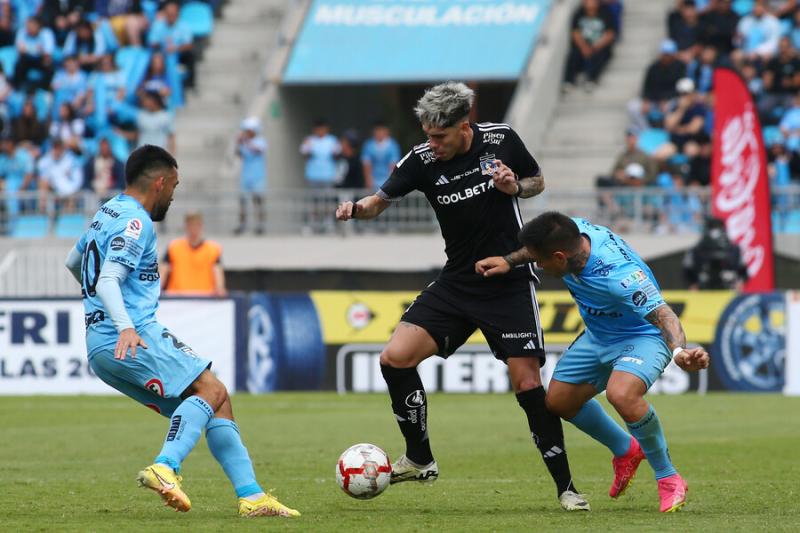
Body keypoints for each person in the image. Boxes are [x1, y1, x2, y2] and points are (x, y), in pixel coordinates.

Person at [335, 82, 589, 512]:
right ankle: (420, 457)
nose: (432, 144)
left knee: (528, 384)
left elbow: (537, 182)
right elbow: (379, 200)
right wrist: (355, 209)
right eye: (428, 135)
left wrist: (514, 187)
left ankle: (567, 488)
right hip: (458, 280)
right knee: (394, 358)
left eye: (440, 136)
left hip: (509, 278)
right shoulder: (421, 160)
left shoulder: (501, 139)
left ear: (464, 125)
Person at [63, 145, 299, 517]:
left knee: (216, 401)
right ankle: (165, 467)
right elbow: (107, 280)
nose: (174, 195)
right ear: (160, 182)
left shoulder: (105, 213)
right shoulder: (136, 222)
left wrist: (99, 309)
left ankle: (252, 497)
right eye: (174, 185)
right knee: (212, 390)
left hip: (101, 347)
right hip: (131, 337)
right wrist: (124, 326)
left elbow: (73, 262)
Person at [475, 212, 710, 513]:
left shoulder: (619, 276)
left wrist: (679, 353)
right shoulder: (572, 231)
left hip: (642, 336)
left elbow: (664, 314)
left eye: (540, 261)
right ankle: (626, 450)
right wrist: (509, 260)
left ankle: (668, 477)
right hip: (598, 336)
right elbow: (538, 248)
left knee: (621, 394)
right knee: (559, 402)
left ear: (559, 257)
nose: (538, 266)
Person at [161, 211, 226, 296]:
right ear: (186, 226)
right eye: (191, 225)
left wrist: (220, 289)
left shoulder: (213, 249)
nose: (193, 229)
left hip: (205, 298)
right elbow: (162, 272)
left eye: (196, 225)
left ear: (201, 226)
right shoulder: (174, 247)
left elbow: (218, 274)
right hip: (177, 298)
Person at [563, 0, 617, 92]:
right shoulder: (579, 13)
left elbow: (610, 34)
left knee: (600, 55)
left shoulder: (606, 13)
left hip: (599, 46)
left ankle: (591, 79)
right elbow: (575, 32)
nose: (588, 3)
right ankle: (569, 81)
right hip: (583, 46)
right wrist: (584, 47)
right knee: (573, 55)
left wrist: (596, 47)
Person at [683, 217, 748, 289]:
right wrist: (693, 284)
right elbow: (688, 270)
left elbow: (743, 271)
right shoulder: (696, 250)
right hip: (704, 289)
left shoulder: (734, 249)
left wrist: (739, 282)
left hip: (727, 288)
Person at [235, 117, 266, 235]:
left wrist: (245, 141)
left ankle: (260, 225)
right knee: (243, 201)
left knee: (258, 201)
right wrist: (238, 143)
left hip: (258, 176)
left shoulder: (261, 141)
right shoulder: (244, 143)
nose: (246, 132)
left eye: (248, 130)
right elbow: (238, 154)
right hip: (245, 175)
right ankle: (242, 225)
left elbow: (257, 150)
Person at [361, 121, 401, 190]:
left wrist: (391, 181)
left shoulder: (393, 145)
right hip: (373, 182)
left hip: (387, 180)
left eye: (381, 130)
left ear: (386, 131)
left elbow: (393, 164)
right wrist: (368, 179)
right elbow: (366, 164)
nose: (379, 133)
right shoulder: (368, 145)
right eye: (377, 130)